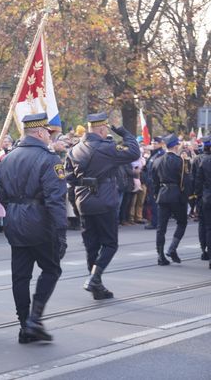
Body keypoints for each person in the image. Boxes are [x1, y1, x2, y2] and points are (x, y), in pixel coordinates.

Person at [0, 113, 67, 343]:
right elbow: (55, 200)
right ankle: (34, 320)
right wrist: (61, 233)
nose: (50, 135)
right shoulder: (49, 159)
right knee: (51, 269)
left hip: (15, 221)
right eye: (48, 131)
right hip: (39, 223)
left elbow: (3, 194)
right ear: (39, 132)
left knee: (20, 276)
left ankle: (24, 324)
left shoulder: (8, 158)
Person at [65, 112, 140, 300]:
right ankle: (95, 278)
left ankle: (97, 288)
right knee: (110, 244)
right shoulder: (106, 148)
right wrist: (125, 133)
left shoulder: (74, 150)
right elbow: (134, 153)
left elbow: (70, 178)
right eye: (105, 128)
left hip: (84, 202)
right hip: (105, 201)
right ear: (101, 129)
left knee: (92, 246)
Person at [152, 134, 190, 265]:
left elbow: (155, 182)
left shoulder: (157, 160)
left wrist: (156, 195)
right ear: (175, 146)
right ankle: (172, 248)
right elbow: (186, 181)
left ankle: (160, 255)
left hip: (162, 195)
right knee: (182, 222)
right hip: (177, 195)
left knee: (160, 228)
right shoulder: (181, 161)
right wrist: (187, 198)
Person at [195, 136, 211, 267]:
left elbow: (197, 181)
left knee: (206, 226)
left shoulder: (201, 160)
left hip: (206, 197)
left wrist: (197, 197)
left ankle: (205, 251)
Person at [144, 137, 165, 229]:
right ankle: (155, 221)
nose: (153, 144)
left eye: (155, 143)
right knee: (152, 202)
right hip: (150, 182)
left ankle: (155, 222)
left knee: (155, 203)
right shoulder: (153, 154)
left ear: (160, 144)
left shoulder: (161, 154)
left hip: (156, 182)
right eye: (152, 143)